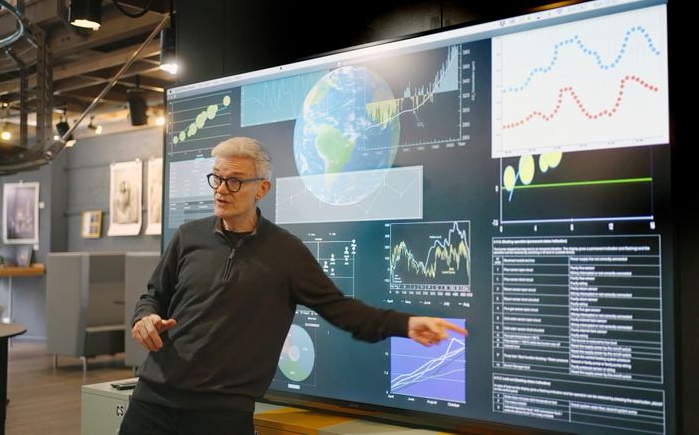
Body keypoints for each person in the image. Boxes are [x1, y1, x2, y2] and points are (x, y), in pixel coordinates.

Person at [120, 137, 467, 435]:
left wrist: (404, 324)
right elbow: (153, 297)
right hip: (152, 401)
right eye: (217, 178)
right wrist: (144, 319)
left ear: (262, 189)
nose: (222, 190)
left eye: (235, 181)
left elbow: (339, 309)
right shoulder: (187, 237)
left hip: (221, 414)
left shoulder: (286, 253)